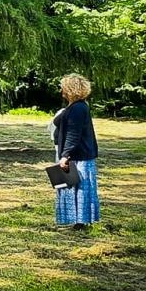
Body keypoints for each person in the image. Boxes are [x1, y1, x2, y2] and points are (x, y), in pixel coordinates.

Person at [53, 73, 100, 230]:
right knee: (68, 186)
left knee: (80, 188)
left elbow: (74, 133)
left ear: (71, 89)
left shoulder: (78, 109)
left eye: (64, 88)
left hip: (79, 156)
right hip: (74, 154)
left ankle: (81, 222)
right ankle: (74, 220)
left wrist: (65, 155)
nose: (62, 91)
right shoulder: (74, 107)